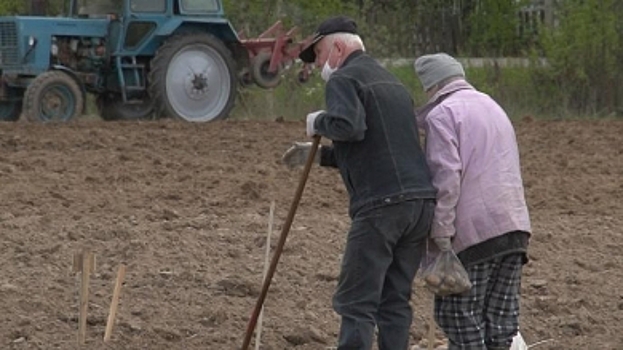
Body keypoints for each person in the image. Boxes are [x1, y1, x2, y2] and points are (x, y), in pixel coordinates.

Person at [281, 15, 437, 350]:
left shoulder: (344, 79)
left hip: (381, 207)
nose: (320, 64)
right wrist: (319, 154)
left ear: (338, 47)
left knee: (357, 302)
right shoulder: (394, 84)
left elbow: (349, 127)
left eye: (320, 54)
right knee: (394, 301)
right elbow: (377, 147)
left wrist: (317, 121)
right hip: (419, 206)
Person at [413, 53, 532, 350]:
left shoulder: (443, 115)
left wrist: (441, 234)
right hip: (515, 228)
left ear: (431, 85)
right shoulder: (494, 107)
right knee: (500, 324)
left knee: (460, 318)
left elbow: (446, 178)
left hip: (473, 233)